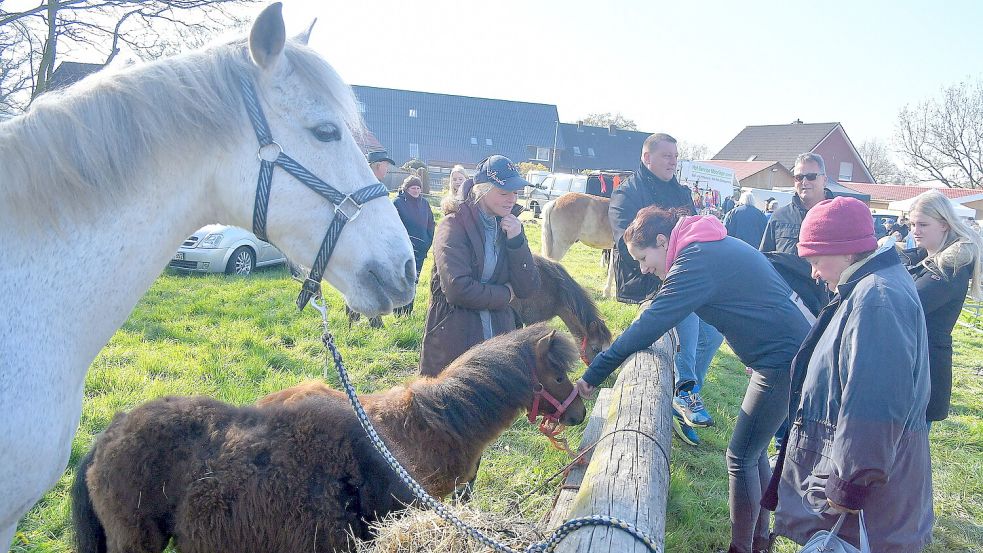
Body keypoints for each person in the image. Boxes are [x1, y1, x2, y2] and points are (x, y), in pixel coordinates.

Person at [576, 206, 810, 553]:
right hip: (786, 353)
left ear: (661, 240)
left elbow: (651, 322)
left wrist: (593, 374)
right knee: (754, 452)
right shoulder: (703, 246)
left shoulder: (695, 258)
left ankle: (742, 548)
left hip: (782, 359)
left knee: (740, 456)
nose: (643, 268)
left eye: (643, 258)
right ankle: (759, 542)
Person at [765, 197, 933, 553]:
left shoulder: (877, 299)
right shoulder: (868, 287)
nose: (813, 272)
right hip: (859, 474)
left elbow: (875, 404)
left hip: (867, 498)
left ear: (843, 250)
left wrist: (850, 485)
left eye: (815, 259)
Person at [608, 133, 723, 446]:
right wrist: (656, 263)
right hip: (647, 276)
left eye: (675, 155)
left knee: (713, 334)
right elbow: (624, 240)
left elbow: (696, 232)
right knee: (687, 319)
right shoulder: (628, 192)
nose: (673, 161)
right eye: (666, 156)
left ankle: (684, 392)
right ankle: (685, 391)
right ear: (647, 158)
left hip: (684, 274)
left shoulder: (681, 192)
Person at [419, 155, 541, 376]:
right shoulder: (452, 225)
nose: (512, 199)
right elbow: (458, 289)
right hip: (456, 343)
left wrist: (516, 242)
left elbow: (528, 288)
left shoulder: (510, 226)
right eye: (504, 192)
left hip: (499, 343)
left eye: (515, 192)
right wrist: (505, 294)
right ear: (483, 190)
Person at [900, 190, 982, 424]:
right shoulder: (928, 260)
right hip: (917, 365)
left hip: (925, 370)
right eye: (912, 223)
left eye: (923, 224)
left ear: (945, 225)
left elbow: (906, 305)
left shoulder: (949, 269)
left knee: (907, 455)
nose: (915, 230)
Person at [392, 175, 436, 316]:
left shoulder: (424, 203)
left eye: (418, 188)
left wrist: (427, 241)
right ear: (406, 188)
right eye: (413, 188)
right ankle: (398, 311)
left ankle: (408, 311)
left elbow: (431, 224)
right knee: (401, 280)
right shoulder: (398, 203)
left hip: (420, 250)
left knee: (413, 280)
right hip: (402, 250)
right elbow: (394, 227)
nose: (416, 190)